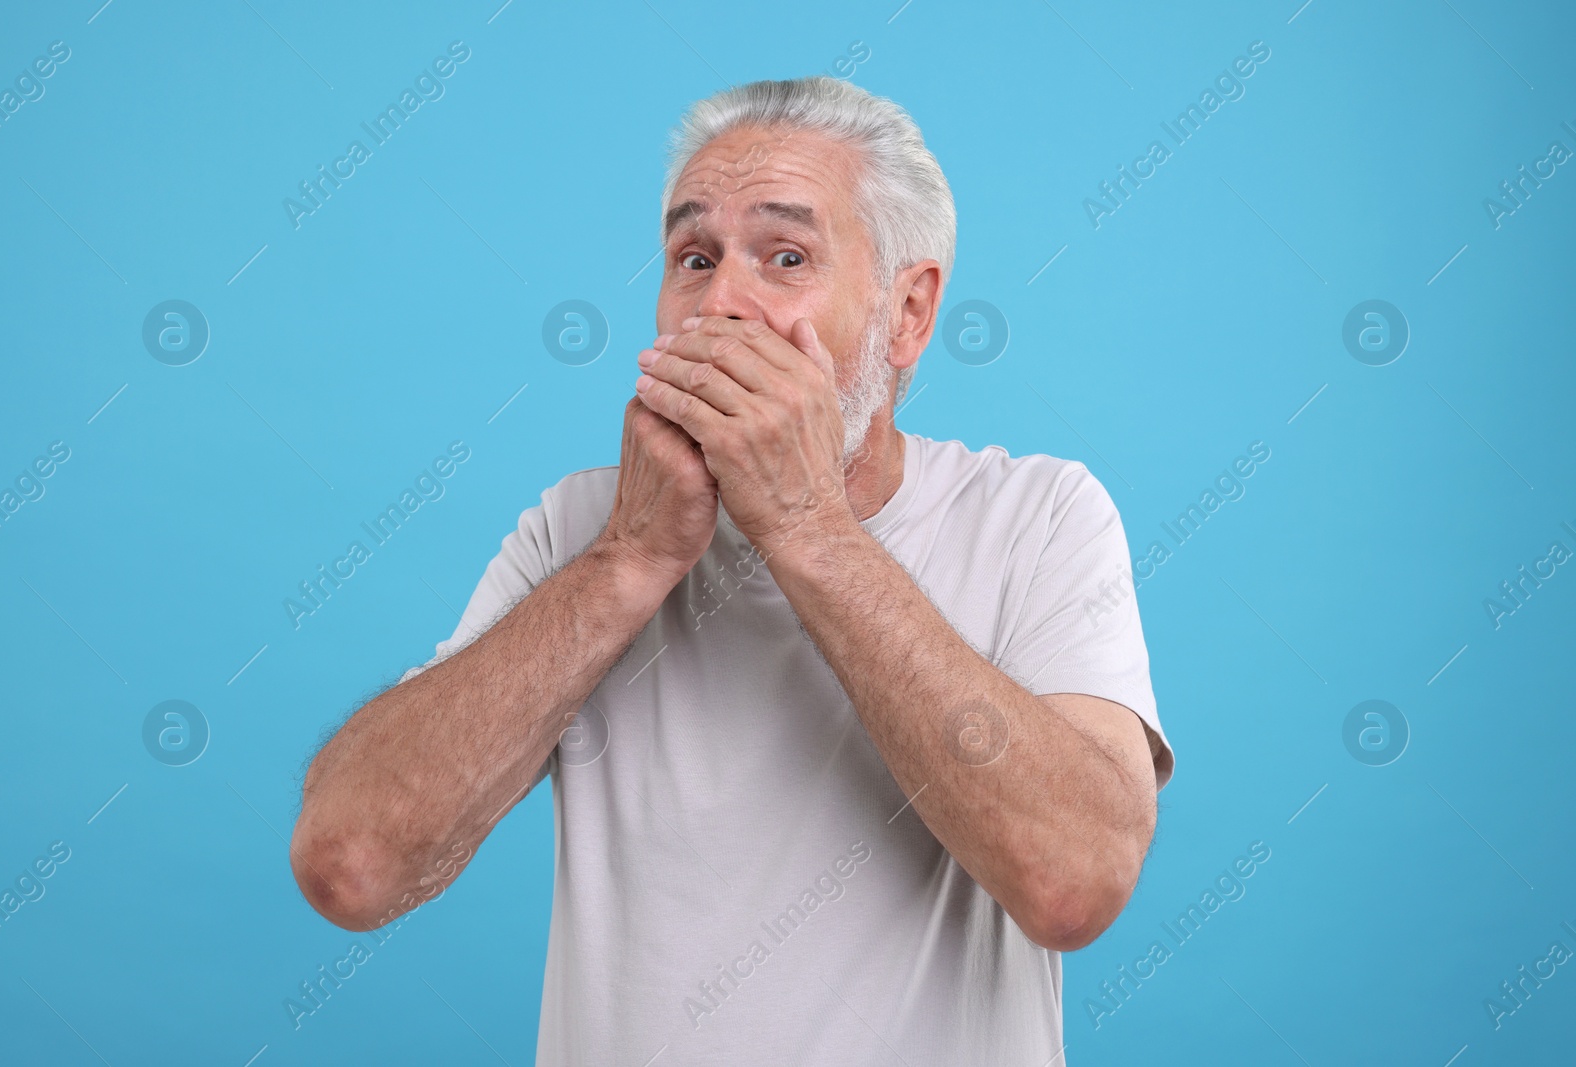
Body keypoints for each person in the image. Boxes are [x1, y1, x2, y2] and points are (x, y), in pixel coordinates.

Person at [289, 74, 1175, 1064]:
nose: (721, 305)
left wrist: (807, 525)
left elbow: (1074, 881)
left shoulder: (1037, 518)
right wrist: (628, 559)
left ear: (907, 313)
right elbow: (351, 866)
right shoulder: (581, 527)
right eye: (694, 258)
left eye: (785, 255)